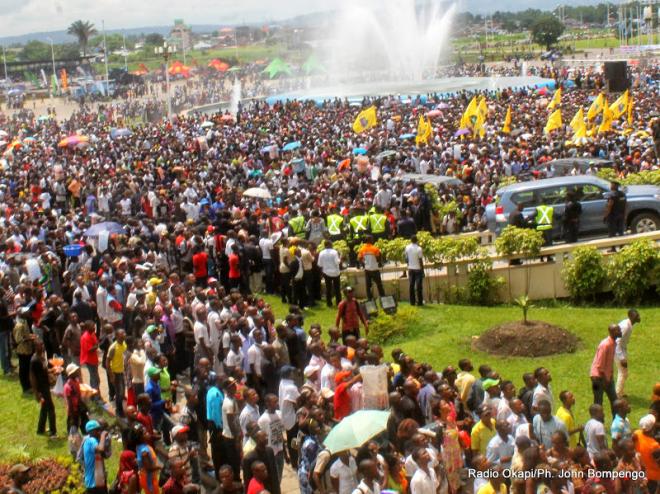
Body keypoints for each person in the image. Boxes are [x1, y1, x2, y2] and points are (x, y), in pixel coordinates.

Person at [590, 323, 621, 416]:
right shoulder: (605, 345)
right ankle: (596, 424)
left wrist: (610, 377)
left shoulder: (613, 343)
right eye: (617, 330)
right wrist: (605, 380)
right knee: (598, 402)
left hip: (607, 377)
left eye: (619, 329)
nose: (620, 331)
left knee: (615, 400)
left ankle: (617, 422)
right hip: (597, 378)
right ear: (611, 332)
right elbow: (599, 365)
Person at [29, 339, 57, 437]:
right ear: (35, 347)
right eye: (40, 345)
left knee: (44, 407)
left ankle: (40, 429)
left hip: (46, 385)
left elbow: (44, 370)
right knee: (51, 409)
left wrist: (52, 370)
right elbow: (32, 377)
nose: (42, 346)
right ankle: (53, 432)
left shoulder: (41, 357)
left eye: (42, 344)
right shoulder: (34, 360)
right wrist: (36, 392)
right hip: (42, 388)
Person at [615, 308, 640, 398]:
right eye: (637, 316)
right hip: (618, 350)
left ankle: (620, 392)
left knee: (624, 372)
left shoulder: (629, 324)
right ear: (631, 317)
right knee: (623, 372)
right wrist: (622, 358)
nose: (639, 317)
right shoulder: (626, 326)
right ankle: (617, 395)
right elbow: (617, 342)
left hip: (622, 349)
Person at [81, 420, 109, 494]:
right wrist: (103, 436)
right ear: (90, 432)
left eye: (99, 430)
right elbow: (101, 449)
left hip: (98, 480)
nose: (99, 432)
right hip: (94, 482)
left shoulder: (95, 441)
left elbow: (105, 455)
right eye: (97, 430)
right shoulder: (91, 440)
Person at [106, 329, 127, 416]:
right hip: (116, 373)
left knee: (122, 391)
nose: (124, 334)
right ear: (117, 336)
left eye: (124, 333)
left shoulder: (124, 344)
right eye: (122, 333)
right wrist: (111, 375)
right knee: (119, 392)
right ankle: (119, 411)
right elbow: (107, 362)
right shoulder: (113, 347)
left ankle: (120, 405)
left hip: (123, 371)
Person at [13, 307, 34, 393]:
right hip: (22, 350)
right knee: (23, 369)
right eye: (26, 312)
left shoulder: (25, 322)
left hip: (28, 349)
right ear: (21, 314)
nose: (28, 312)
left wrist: (30, 336)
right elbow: (18, 339)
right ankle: (25, 387)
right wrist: (29, 338)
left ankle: (28, 385)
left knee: (27, 368)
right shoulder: (19, 325)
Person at [358, 235, 385, 300]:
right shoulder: (375, 248)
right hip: (375, 269)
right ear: (370, 240)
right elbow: (378, 259)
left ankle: (369, 299)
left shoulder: (362, 249)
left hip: (367, 270)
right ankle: (383, 298)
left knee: (368, 286)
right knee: (379, 285)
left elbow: (359, 259)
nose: (373, 240)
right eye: (372, 239)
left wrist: (364, 264)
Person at [317, 240, 342, 307]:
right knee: (337, 288)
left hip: (326, 272)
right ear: (329, 245)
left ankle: (329, 303)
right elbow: (337, 262)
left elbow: (319, 264)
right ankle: (338, 302)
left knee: (328, 288)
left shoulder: (321, 253)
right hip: (335, 272)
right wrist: (340, 258)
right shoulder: (334, 252)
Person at [80, 321, 100, 393]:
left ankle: (94, 395)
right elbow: (89, 350)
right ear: (87, 328)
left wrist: (96, 345)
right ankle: (96, 397)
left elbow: (95, 342)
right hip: (89, 360)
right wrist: (96, 345)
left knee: (95, 378)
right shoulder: (85, 337)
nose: (94, 327)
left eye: (94, 326)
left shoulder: (92, 333)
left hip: (94, 359)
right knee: (95, 379)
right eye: (92, 326)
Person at [404, 235, 424, 306]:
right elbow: (420, 260)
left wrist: (409, 264)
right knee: (419, 286)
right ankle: (420, 302)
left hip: (410, 269)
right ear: (417, 240)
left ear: (411, 240)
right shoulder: (419, 248)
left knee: (411, 286)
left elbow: (406, 258)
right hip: (418, 269)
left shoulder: (407, 247)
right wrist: (422, 270)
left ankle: (412, 302)